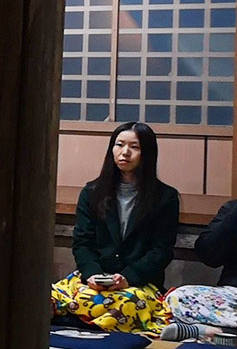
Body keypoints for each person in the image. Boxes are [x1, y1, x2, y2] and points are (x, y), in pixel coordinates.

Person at [52, 122, 180, 333]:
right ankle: (90, 323)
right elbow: (82, 242)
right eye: (119, 144)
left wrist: (128, 277)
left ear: (147, 153)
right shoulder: (92, 192)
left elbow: (161, 250)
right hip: (94, 279)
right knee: (50, 296)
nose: (125, 152)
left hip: (137, 283)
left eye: (135, 147)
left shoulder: (164, 197)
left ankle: (83, 323)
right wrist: (92, 273)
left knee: (126, 304)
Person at [160, 198, 237, 341]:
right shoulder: (234, 208)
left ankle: (214, 332)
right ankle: (220, 333)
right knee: (179, 297)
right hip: (235, 296)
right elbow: (209, 255)